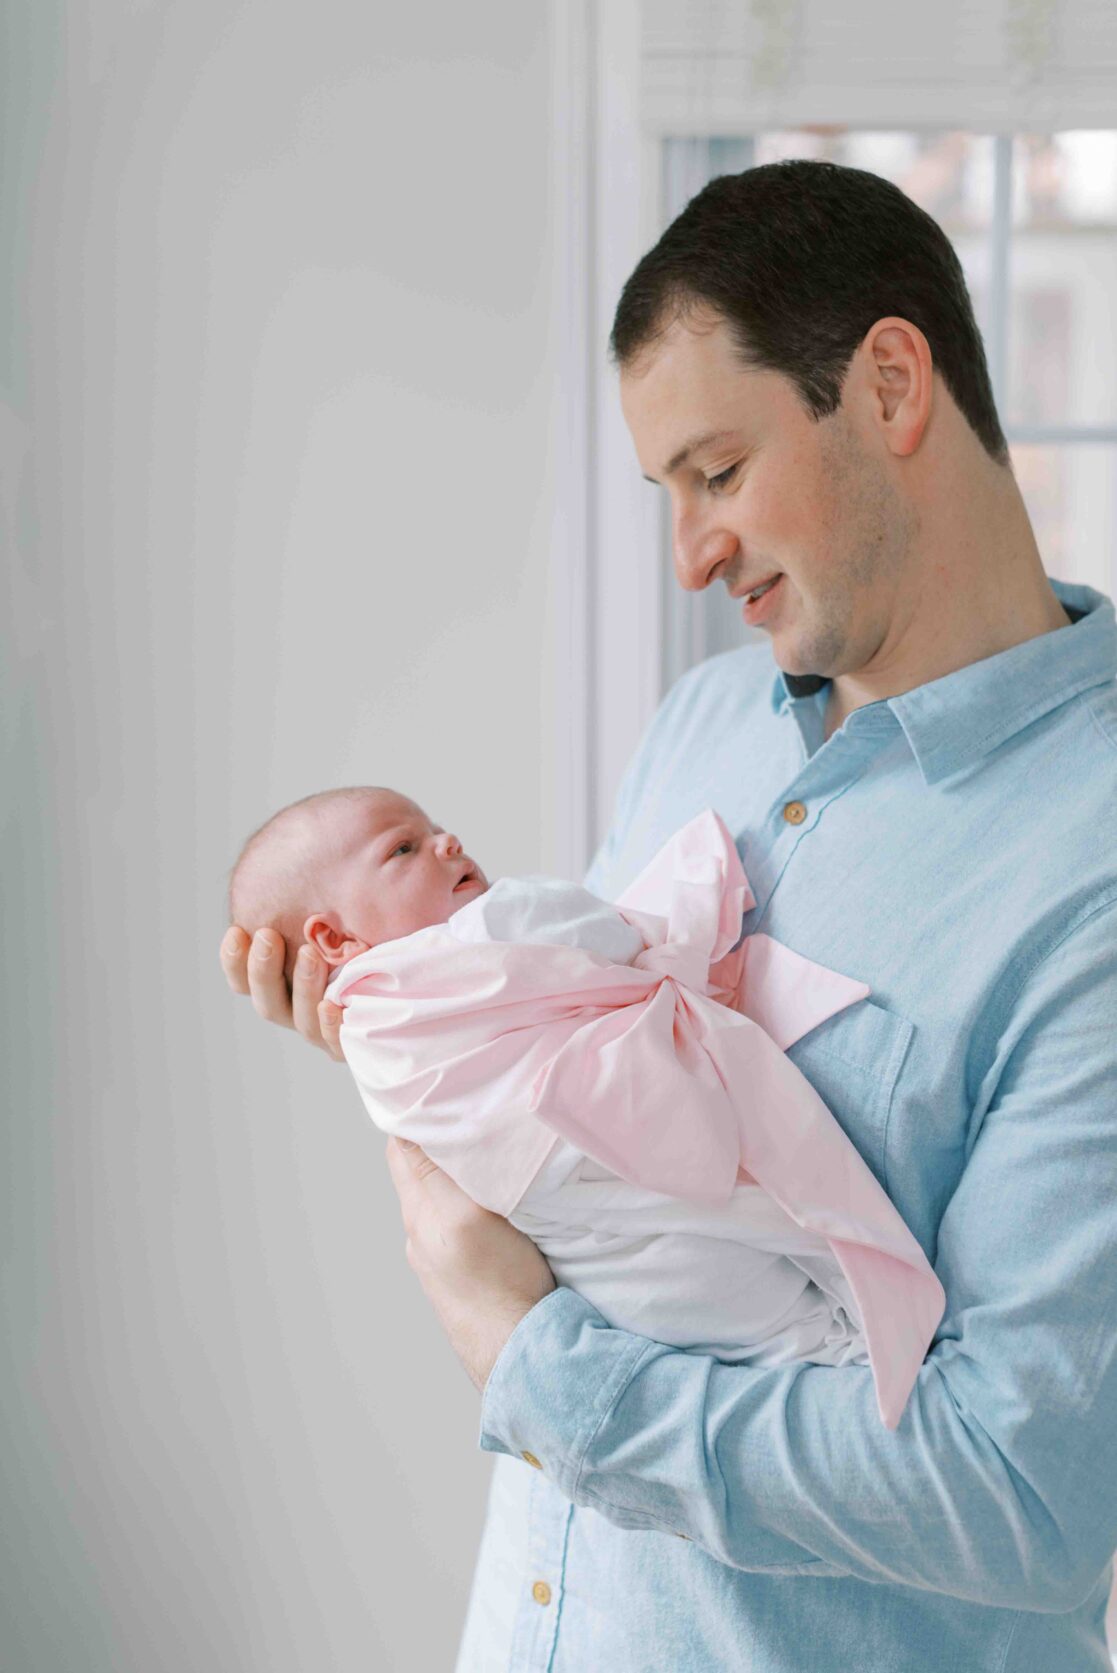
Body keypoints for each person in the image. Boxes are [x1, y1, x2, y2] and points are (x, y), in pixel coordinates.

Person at [221, 159, 1117, 1670]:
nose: (691, 555)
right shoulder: (702, 722)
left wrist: (535, 1364)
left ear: (890, 385)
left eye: (717, 472)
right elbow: (605, 1145)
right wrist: (425, 1038)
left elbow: (1026, 1498)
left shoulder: (1090, 863)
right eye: (667, 495)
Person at [226, 785, 946, 1430]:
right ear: (330, 937)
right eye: (404, 847)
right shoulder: (495, 920)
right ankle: (855, 1332)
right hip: (585, 1138)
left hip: (548, 1207)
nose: (448, 841)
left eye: (436, 826)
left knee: (659, 1286)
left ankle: (813, 1344)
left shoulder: (365, 1028)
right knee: (760, 1205)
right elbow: (606, 933)